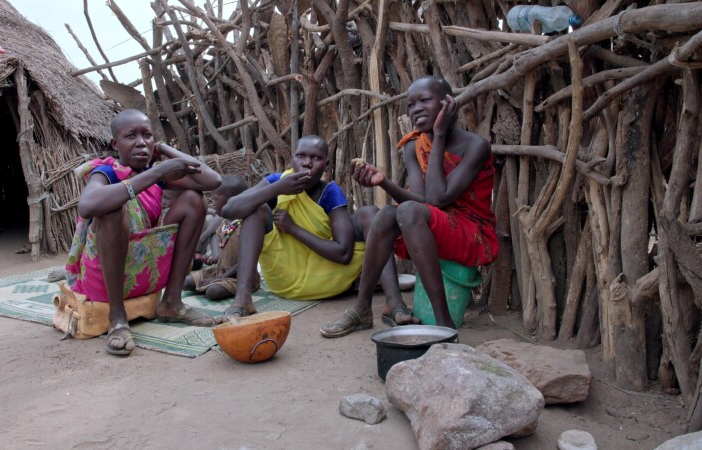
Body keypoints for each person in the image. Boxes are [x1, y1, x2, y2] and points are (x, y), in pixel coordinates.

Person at [320, 76, 498, 337]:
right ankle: (362, 309)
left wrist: (438, 136)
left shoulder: (475, 146)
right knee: (385, 214)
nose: (416, 110)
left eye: (424, 100)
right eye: (411, 105)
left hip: (472, 232)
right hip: (433, 222)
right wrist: (384, 183)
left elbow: (438, 198)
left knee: (405, 211)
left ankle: (443, 323)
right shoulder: (414, 146)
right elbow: (424, 201)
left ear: (448, 104)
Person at [64, 109, 222, 356]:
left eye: (147, 135)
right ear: (115, 144)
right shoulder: (105, 172)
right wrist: (158, 171)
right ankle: (117, 318)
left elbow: (213, 180)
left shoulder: (156, 176)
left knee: (194, 199)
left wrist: (165, 150)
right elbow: (88, 205)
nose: (141, 142)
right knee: (111, 209)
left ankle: (172, 303)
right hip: (105, 280)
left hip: (146, 271)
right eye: (131, 136)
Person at [218, 135, 367, 319]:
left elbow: (344, 254)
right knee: (256, 208)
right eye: (301, 156)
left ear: (327, 165)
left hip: (325, 276)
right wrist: (277, 189)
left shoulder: (329, 192)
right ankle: (242, 300)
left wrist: (293, 228)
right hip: (283, 278)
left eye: (316, 158)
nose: (307, 163)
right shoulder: (277, 182)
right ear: (291, 160)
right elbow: (229, 209)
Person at [183, 175, 260, 300]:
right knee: (186, 283)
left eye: (215, 199)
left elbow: (246, 260)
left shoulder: (247, 226)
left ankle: (217, 284)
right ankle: (215, 282)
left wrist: (221, 278)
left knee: (213, 292)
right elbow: (217, 237)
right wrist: (216, 256)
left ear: (232, 201)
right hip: (220, 271)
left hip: (241, 276)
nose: (213, 203)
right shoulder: (226, 221)